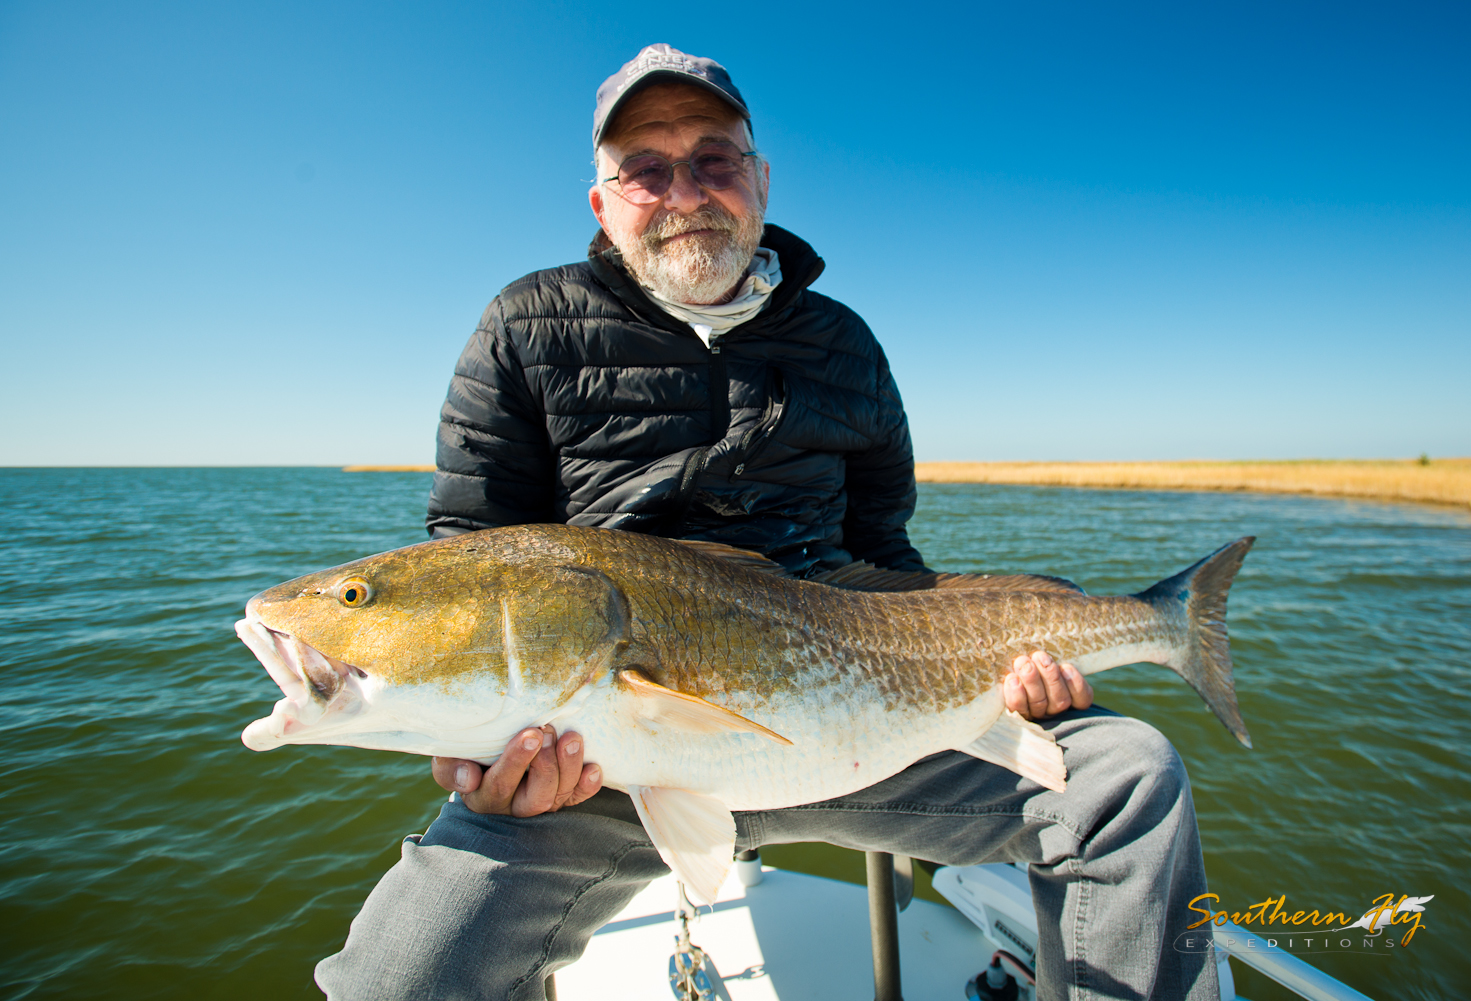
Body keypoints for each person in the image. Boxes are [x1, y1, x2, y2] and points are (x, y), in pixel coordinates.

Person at [315, 44, 1220, 1001]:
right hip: (593, 766)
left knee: (1128, 778)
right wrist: (474, 749)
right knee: (396, 978)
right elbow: (470, 564)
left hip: (863, 726)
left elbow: (887, 556)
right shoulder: (525, 324)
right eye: (646, 169)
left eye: (714, 160)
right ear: (602, 201)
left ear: (760, 178)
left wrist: (993, 675)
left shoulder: (843, 341)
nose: (685, 191)